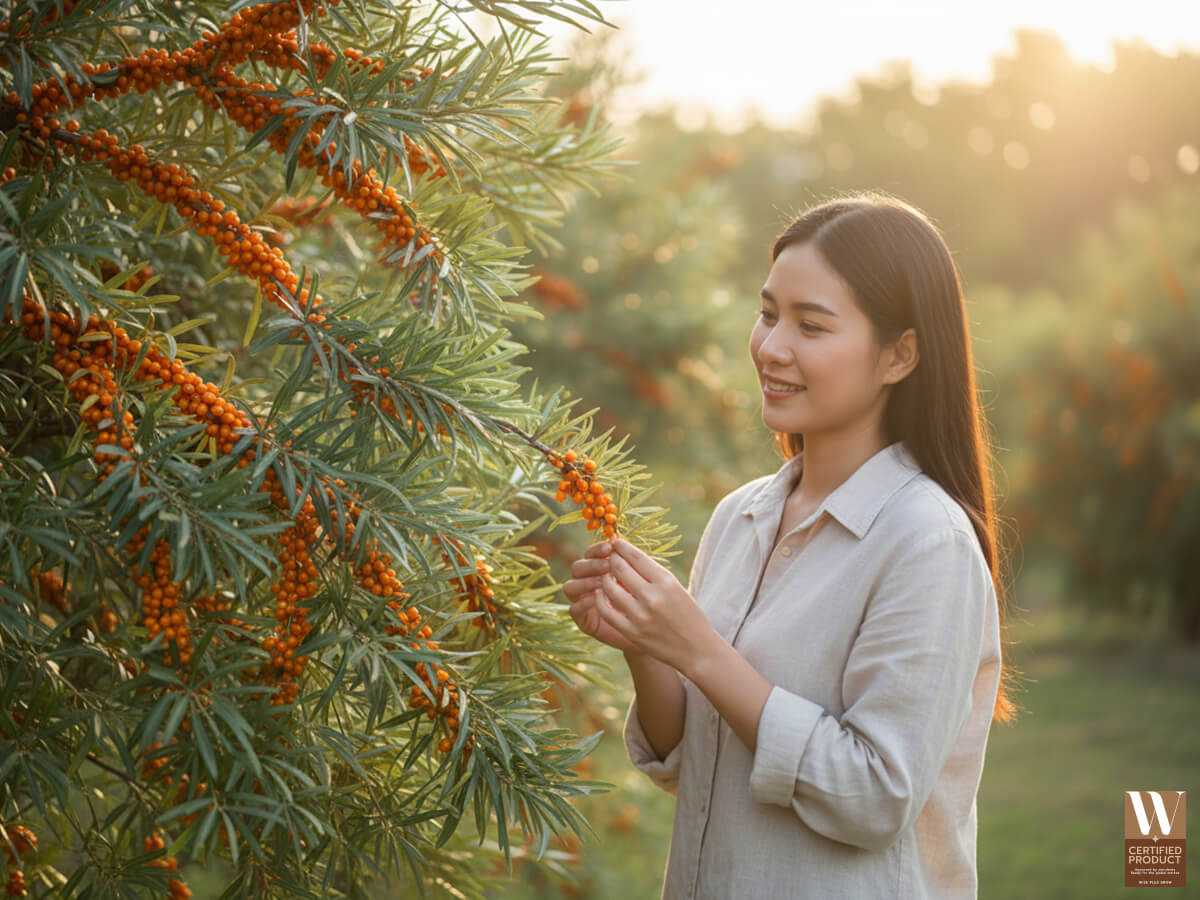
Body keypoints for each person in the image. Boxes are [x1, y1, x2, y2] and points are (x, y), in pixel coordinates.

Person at [562, 192, 1022, 899]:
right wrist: (645, 640)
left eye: (811, 325)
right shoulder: (741, 516)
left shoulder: (927, 544)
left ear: (900, 355)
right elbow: (696, 764)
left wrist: (699, 649)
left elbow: (875, 797)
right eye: (769, 313)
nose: (772, 347)